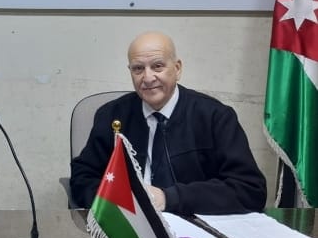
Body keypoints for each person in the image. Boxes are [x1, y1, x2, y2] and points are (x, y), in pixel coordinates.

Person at [70, 31, 267, 215]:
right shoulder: (111, 115)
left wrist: (169, 198)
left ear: (177, 68)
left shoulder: (215, 117)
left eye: (157, 66)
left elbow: (250, 189)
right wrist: (116, 201)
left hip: (193, 225)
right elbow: (83, 178)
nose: (148, 78)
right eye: (138, 69)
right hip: (128, 224)